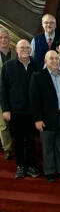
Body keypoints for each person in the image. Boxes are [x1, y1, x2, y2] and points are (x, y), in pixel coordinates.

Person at [29, 50, 60, 183]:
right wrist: (37, 119)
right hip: (46, 118)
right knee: (48, 146)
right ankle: (49, 171)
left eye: (57, 58)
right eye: (51, 59)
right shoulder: (38, 76)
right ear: (45, 61)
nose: (55, 61)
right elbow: (34, 100)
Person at [0, 39, 39, 178]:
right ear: (16, 49)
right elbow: (3, 90)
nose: (25, 50)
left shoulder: (36, 65)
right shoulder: (8, 66)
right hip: (15, 111)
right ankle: (21, 166)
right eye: (22, 47)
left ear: (31, 50)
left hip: (32, 111)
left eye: (28, 48)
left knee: (30, 140)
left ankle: (31, 165)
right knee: (17, 140)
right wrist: (5, 109)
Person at [0, 28, 16, 159]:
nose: (3, 40)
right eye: (0, 38)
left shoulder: (16, 54)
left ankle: (18, 144)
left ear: (10, 40)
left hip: (16, 93)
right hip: (1, 94)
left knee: (16, 122)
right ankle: (7, 148)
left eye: (5, 37)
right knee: (3, 124)